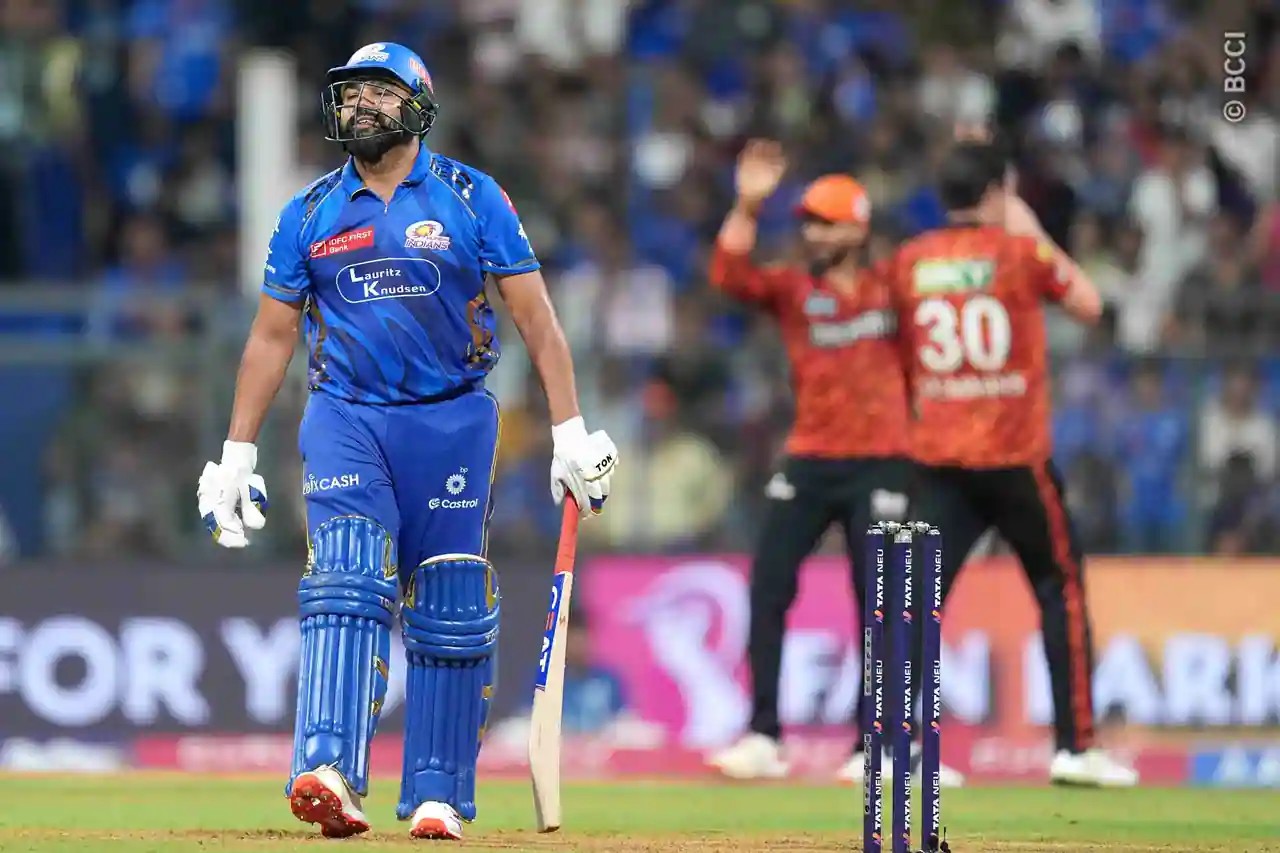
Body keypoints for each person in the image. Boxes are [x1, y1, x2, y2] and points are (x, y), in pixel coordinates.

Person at [195, 43, 618, 840]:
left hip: (453, 420)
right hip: (346, 416)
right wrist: (236, 453)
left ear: (419, 106)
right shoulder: (309, 211)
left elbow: (535, 318)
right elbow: (271, 336)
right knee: (347, 575)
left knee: (451, 601)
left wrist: (569, 431)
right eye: (351, 94)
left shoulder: (473, 196)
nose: (360, 106)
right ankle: (327, 768)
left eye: (379, 93)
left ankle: (437, 792)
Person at [885, 138, 1135, 786]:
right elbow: (1089, 304)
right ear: (998, 193)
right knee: (1060, 589)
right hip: (1015, 457)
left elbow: (894, 350)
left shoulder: (909, 262)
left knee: (914, 601)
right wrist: (1026, 221)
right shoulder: (1020, 253)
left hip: (939, 457)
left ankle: (896, 750)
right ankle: (1075, 748)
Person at [704, 140, 937, 784]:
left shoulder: (893, 289)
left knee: (881, 603)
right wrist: (748, 205)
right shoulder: (793, 288)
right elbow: (727, 275)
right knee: (768, 586)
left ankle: (878, 744)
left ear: (858, 230)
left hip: (884, 460)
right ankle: (763, 735)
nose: (812, 234)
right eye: (807, 223)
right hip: (809, 458)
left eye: (826, 223)